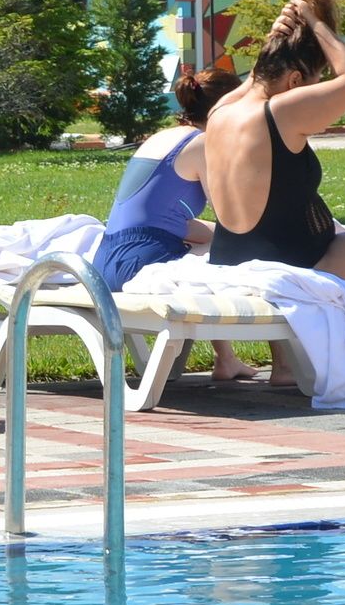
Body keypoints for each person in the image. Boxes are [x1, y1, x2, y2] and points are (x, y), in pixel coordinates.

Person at [200, 0, 345, 339]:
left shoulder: (221, 111)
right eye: (315, 82)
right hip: (294, 268)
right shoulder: (280, 111)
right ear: (295, 80)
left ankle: (287, 369)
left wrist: (277, 36)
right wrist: (315, 23)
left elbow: (256, 78)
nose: (318, 91)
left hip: (231, 261)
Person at [94, 65, 254, 384]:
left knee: (214, 245)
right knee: (250, 256)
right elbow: (230, 218)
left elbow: (160, 218)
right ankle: (281, 364)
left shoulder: (164, 137)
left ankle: (227, 358)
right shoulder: (204, 144)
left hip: (108, 258)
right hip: (140, 262)